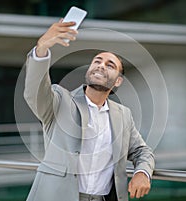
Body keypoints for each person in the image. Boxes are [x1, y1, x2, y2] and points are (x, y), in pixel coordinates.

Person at [23, 19, 155, 201]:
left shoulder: (123, 115)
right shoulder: (60, 100)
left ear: (118, 81)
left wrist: (142, 172)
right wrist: (42, 48)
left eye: (110, 65)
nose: (101, 65)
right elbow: (33, 92)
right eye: (97, 61)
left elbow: (142, 151)